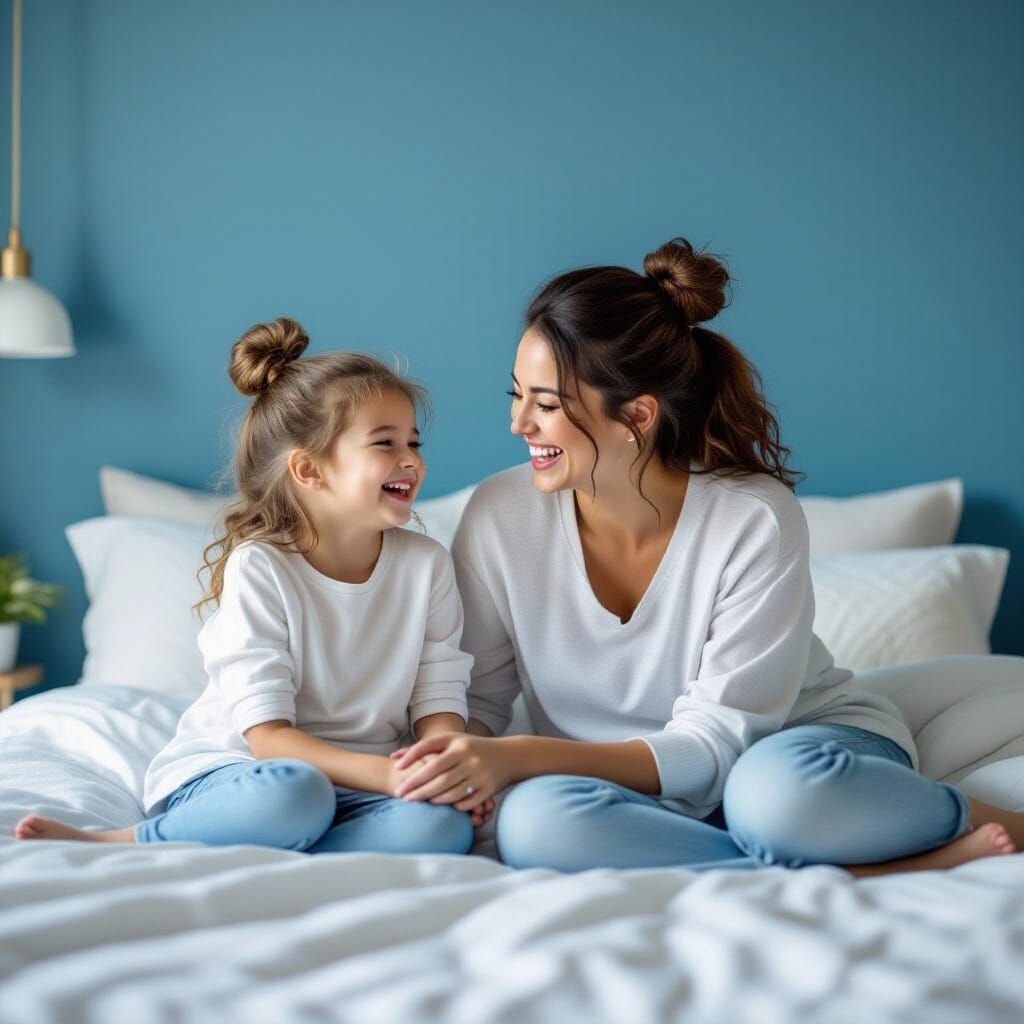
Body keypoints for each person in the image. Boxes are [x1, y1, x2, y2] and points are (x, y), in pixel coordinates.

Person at [389, 238, 1021, 875]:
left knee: (774, 801)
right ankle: (844, 869)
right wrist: (450, 757)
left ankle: (976, 819)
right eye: (516, 395)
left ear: (637, 416)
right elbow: (482, 705)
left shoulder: (752, 515)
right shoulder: (500, 514)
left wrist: (524, 756)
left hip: (792, 754)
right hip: (626, 786)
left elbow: (715, 744)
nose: (518, 424)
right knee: (535, 824)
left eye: (546, 405)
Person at [16, 317, 489, 854]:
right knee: (296, 792)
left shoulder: (426, 564)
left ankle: (291, 844)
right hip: (245, 774)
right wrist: (387, 778)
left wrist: (443, 767)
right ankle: (132, 839)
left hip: (363, 784)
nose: (411, 459)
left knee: (443, 827)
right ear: (309, 471)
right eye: (385, 443)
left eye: (413, 441)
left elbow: (438, 692)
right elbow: (267, 738)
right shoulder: (262, 567)